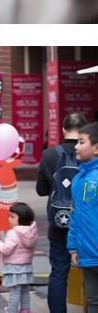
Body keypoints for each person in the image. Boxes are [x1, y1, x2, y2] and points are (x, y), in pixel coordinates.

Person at [36, 112, 87, 313]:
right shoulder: (90, 153)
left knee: (59, 272)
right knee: (91, 271)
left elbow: (41, 190)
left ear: (63, 130)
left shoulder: (50, 155)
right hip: (85, 222)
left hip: (59, 223)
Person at [67, 123, 98, 313]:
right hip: (87, 255)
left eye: (81, 142)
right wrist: (73, 248)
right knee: (92, 300)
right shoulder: (79, 178)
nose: (76, 146)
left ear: (96, 147)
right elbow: (75, 215)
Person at [0, 202, 38, 313]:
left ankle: (11, 310)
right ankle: (25, 310)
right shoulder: (31, 232)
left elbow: (6, 250)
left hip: (14, 268)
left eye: (12, 217)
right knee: (24, 291)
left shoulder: (13, 233)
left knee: (14, 292)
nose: (9, 219)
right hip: (26, 267)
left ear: (21, 218)